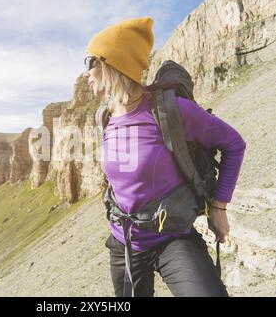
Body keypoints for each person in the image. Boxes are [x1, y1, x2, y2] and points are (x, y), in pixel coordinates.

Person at [82, 17, 246, 297]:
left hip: (173, 239)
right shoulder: (105, 118)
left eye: (89, 62)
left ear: (112, 63)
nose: (84, 72)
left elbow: (234, 144)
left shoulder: (171, 111)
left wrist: (219, 209)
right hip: (125, 246)